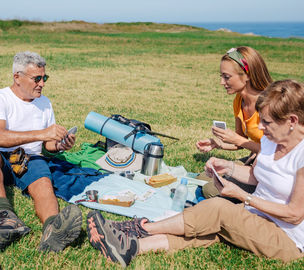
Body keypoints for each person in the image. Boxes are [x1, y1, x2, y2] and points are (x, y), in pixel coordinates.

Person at [86, 79, 304, 267]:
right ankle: (130, 248)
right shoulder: (270, 140)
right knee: (206, 230)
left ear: (292, 121)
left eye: (266, 122)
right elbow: (257, 176)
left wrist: (242, 196)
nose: (261, 128)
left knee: (219, 209)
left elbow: (294, 214)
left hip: (286, 239)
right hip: (256, 218)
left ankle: (139, 228)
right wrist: (228, 167)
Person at [0, 51, 82, 252]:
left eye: (44, 78)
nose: (42, 83)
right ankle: (5, 218)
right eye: (37, 78)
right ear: (17, 77)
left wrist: (59, 145)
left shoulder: (45, 103)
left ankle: (53, 229)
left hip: (31, 158)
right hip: (1, 158)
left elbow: (48, 145)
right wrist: (42, 133)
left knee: (43, 185)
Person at [196, 46, 273, 198]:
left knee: (211, 190)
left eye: (226, 77)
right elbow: (240, 141)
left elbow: (273, 151)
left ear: (247, 75)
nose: (221, 82)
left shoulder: (269, 106)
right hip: (255, 159)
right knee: (202, 178)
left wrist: (236, 139)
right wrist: (219, 143)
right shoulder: (239, 100)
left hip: (270, 167)